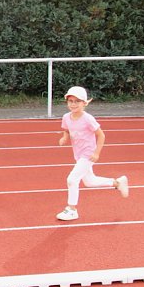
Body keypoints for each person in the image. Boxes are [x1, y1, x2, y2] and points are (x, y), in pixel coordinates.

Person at [56, 86, 129, 221]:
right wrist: (64, 138)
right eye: (70, 101)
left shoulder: (88, 119)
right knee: (90, 181)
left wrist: (96, 153)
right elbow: (66, 129)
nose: (73, 104)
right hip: (78, 154)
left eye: (77, 101)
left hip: (88, 154)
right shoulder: (66, 117)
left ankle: (72, 209)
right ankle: (117, 183)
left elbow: (101, 135)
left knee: (72, 179)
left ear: (84, 103)